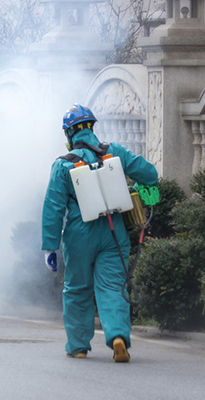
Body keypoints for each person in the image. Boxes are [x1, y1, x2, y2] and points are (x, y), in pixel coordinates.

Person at [41, 103, 158, 362]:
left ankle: (78, 346)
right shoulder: (114, 152)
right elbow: (150, 174)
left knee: (77, 289)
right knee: (114, 286)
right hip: (113, 231)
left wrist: (50, 246)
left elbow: (53, 207)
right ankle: (117, 337)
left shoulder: (62, 165)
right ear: (92, 127)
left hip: (79, 234)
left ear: (69, 135)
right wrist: (138, 188)